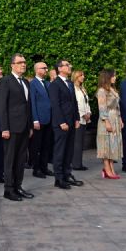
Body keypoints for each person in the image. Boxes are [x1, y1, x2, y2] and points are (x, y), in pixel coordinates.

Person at [0, 53, 34, 202]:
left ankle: (18, 186)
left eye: (24, 62)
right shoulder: (6, 81)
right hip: (11, 127)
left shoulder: (25, 82)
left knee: (21, 159)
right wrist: (4, 128)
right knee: (10, 159)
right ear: (12, 65)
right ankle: (9, 189)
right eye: (20, 62)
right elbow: (2, 106)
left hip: (24, 127)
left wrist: (30, 125)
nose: (23, 65)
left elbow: (28, 106)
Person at [49, 60, 83, 190]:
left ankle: (67, 174)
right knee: (60, 151)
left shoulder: (69, 83)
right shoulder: (55, 84)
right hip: (61, 123)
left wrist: (77, 118)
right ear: (59, 68)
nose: (70, 67)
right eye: (67, 65)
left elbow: (74, 102)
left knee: (69, 150)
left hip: (71, 121)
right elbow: (55, 105)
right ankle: (59, 178)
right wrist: (61, 121)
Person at [29, 62, 53, 179]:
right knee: (36, 146)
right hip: (39, 120)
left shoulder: (47, 83)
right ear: (37, 69)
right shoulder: (33, 84)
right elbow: (32, 102)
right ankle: (36, 168)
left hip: (48, 119)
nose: (46, 70)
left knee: (46, 145)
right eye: (44, 68)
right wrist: (35, 120)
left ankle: (44, 167)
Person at [96, 69, 122, 179]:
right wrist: (106, 121)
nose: (115, 78)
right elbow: (102, 108)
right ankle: (107, 168)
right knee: (106, 144)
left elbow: (117, 106)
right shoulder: (102, 91)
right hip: (106, 119)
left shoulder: (112, 89)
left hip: (115, 118)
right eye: (113, 76)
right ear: (107, 77)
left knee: (113, 144)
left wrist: (120, 119)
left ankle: (111, 167)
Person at [72, 70, 91, 171]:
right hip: (78, 119)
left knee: (81, 142)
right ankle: (76, 164)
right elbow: (76, 104)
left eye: (83, 75)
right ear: (76, 77)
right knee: (77, 142)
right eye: (81, 75)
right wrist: (83, 114)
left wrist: (89, 113)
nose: (83, 77)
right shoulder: (73, 89)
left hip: (85, 118)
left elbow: (86, 102)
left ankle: (79, 163)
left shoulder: (82, 89)